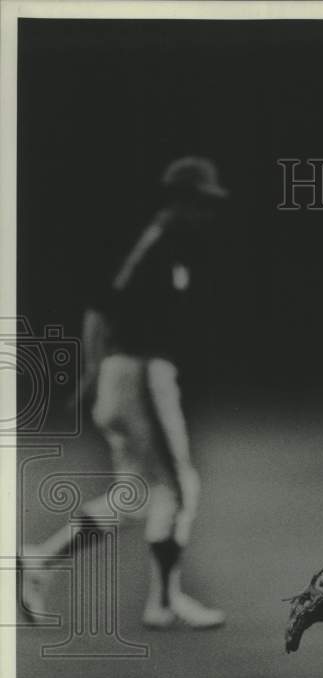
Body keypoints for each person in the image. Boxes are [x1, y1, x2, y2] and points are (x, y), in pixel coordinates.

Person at [19, 157, 227, 629]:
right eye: (200, 202)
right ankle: (167, 600)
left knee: (134, 496)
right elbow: (101, 306)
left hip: (125, 374)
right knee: (179, 486)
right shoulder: (162, 242)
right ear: (181, 199)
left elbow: (103, 304)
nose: (206, 212)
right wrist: (96, 372)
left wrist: (97, 374)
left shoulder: (159, 243)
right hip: (140, 372)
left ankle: (39, 560)